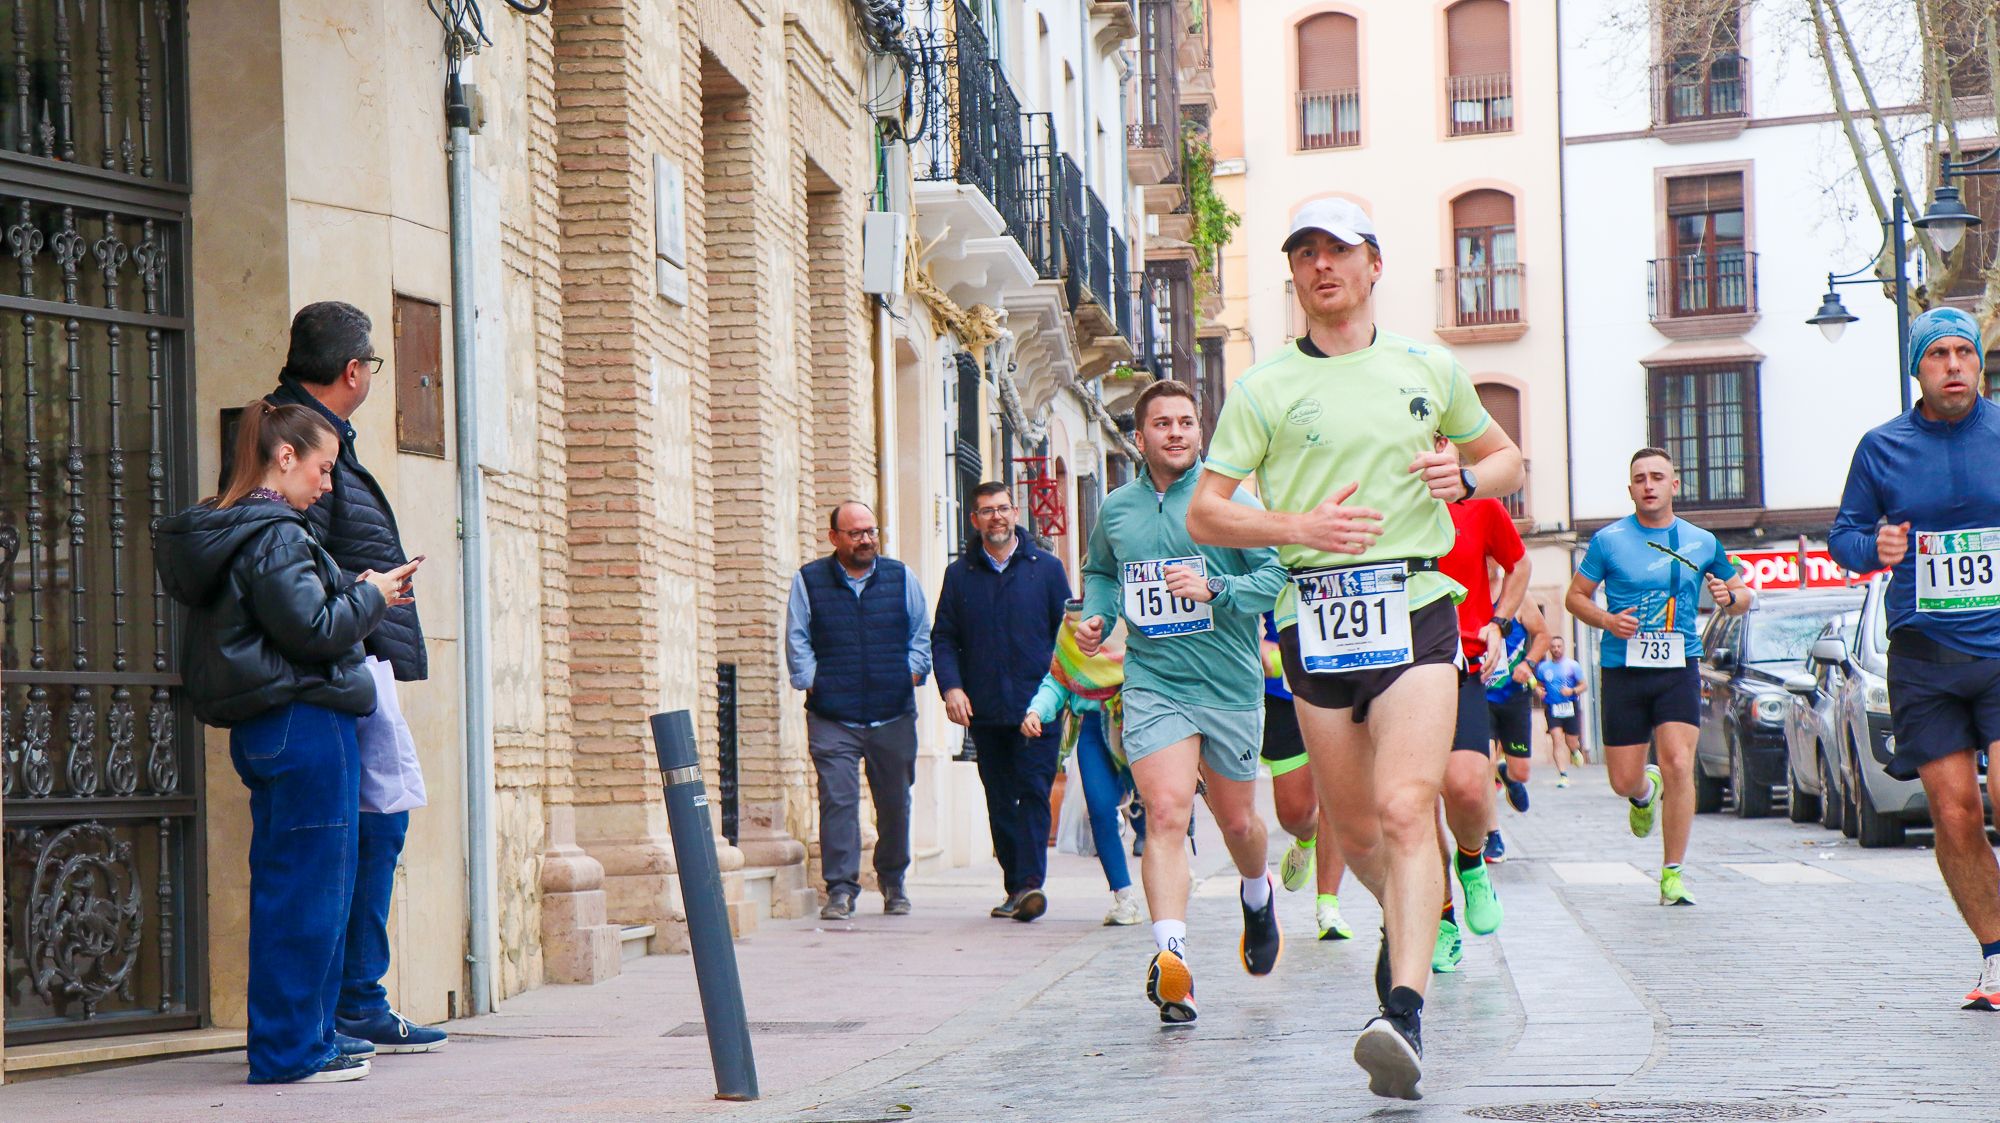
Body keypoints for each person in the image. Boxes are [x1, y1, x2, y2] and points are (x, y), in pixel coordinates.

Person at [1186, 197, 1522, 1099]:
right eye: (1303, 253)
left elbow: (1507, 461)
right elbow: (1206, 509)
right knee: (1361, 829)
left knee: (1410, 807)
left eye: (1337, 249)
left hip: (1414, 602)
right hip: (1313, 616)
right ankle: (1403, 917)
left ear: (1374, 263)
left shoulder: (1427, 364)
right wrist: (1298, 524)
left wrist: (1466, 474)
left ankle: (1402, 1010)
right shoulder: (1263, 387)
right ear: (1293, 275)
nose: (1320, 265)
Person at [156, 401, 421, 1084]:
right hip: (303, 723)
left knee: (296, 886)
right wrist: (371, 596)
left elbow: (294, 617)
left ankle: (306, 1037)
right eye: (322, 468)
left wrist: (355, 590)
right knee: (308, 891)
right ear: (284, 458)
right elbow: (311, 627)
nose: (328, 484)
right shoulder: (275, 532)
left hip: (280, 726)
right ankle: (290, 1049)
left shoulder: (249, 529)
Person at [1071, 378, 1289, 1025]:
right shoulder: (1116, 510)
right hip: (1153, 683)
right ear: (1139, 437)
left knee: (1238, 823)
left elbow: (1275, 575)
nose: (1175, 432)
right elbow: (1103, 570)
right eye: (1162, 423)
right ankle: (1174, 965)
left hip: (1227, 687)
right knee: (1163, 813)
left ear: (1200, 433)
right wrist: (1097, 614)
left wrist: (1214, 587)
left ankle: (1257, 891)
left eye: (1186, 422)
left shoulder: (1230, 502)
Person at [266, 301, 447, 1056]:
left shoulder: (315, 430)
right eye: (372, 363)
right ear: (354, 370)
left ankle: (354, 1000)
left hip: (356, 652)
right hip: (341, 659)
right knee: (360, 833)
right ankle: (347, 1005)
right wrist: (371, 590)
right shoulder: (301, 439)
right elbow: (287, 549)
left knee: (378, 824)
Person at [1829, 306, 2000, 1009]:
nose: (1954, 364)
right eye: (1939, 355)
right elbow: (1843, 537)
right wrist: (1878, 550)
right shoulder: (1882, 448)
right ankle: (1995, 956)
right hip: (1925, 656)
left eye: (1965, 351)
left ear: (1980, 363)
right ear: (1917, 368)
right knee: (1955, 812)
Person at [1565, 448, 1750, 908]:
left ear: (1675, 484)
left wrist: (1730, 596)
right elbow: (1575, 598)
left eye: (1657, 477)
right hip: (1623, 668)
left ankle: (1673, 874)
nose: (1649, 485)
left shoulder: (1702, 541)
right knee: (1623, 781)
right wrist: (1607, 621)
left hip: (1677, 665)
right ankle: (1643, 794)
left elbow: (1743, 595)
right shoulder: (1608, 542)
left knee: (1680, 764)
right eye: (1640, 478)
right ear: (1630, 489)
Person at [785, 501, 931, 920]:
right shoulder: (809, 581)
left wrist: (911, 672)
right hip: (833, 716)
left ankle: (893, 880)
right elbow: (797, 638)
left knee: (894, 803)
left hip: (893, 713)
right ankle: (841, 889)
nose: (867, 539)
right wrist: (814, 681)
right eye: (856, 533)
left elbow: (921, 630)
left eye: (870, 531)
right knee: (838, 802)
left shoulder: (901, 576)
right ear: (834, 538)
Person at [933, 482, 1072, 921]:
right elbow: (944, 638)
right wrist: (951, 688)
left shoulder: (1046, 570)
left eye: (1004, 508)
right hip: (985, 711)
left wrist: (1060, 693)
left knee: (1033, 792)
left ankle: (1030, 885)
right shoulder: (959, 576)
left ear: (1016, 513)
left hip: (1038, 707)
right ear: (974, 520)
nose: (997, 517)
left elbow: (1064, 635)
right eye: (987, 511)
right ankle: (1016, 885)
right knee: (999, 798)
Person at [1433, 452, 1533, 969]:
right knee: (1411, 808)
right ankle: (1442, 917)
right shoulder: (1375, 499)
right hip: (1389, 667)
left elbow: (1519, 564)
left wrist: (1499, 620)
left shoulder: (1478, 502)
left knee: (1468, 786)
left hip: (1459, 662)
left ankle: (1471, 861)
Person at [1022, 609, 1142, 925]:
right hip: (1092, 727)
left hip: (1143, 720)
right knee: (1101, 811)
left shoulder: (1142, 614)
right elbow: (1058, 680)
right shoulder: (1073, 626)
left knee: (1160, 812)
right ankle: (1124, 898)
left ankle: (1174, 877)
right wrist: (1036, 711)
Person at [1262, 614, 1356, 941]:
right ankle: (1306, 837)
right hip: (1284, 688)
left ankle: (1328, 904)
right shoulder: (1277, 559)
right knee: (1293, 813)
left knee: (1336, 794)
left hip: (1343, 673)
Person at [1535, 634, 1588, 786]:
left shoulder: (1572, 666)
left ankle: (1574, 751)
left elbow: (1584, 685)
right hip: (1553, 707)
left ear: (1563, 648)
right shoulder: (1543, 667)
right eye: (1553, 647)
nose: (1556, 649)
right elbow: (1538, 685)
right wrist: (1539, 691)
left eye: (1559, 646)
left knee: (1571, 741)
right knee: (1556, 740)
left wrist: (1572, 691)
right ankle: (1563, 775)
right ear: (1549, 649)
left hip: (1570, 706)